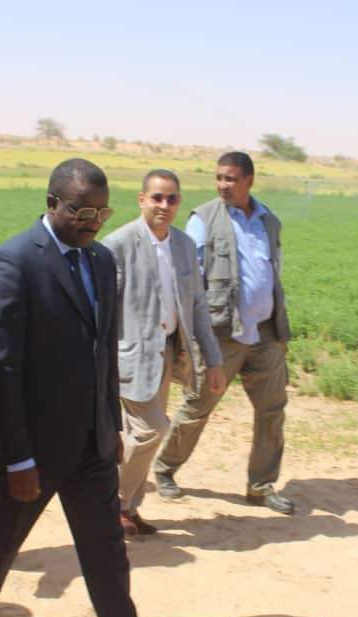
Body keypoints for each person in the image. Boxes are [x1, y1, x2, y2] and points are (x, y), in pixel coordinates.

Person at [0, 158, 189, 617]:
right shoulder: (13, 263)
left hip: (91, 442)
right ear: (52, 204)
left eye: (100, 213)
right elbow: (3, 370)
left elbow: (102, 351)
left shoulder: (100, 261)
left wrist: (110, 424)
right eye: (81, 212)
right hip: (32, 444)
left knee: (106, 549)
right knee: (3, 531)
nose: (92, 222)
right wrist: (18, 457)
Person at [153, 152, 295, 515]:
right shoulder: (203, 219)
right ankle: (165, 468)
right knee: (198, 406)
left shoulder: (269, 221)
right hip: (221, 333)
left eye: (230, 178)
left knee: (272, 410)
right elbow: (189, 279)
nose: (222, 185)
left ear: (249, 181)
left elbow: (273, 271)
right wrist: (191, 337)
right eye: (219, 178)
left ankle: (261, 486)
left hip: (264, 332)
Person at [103, 169, 225, 535]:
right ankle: (112, 502)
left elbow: (198, 305)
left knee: (140, 435)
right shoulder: (117, 245)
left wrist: (214, 360)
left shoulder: (184, 245)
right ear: (141, 199)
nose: (164, 205)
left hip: (168, 353)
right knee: (151, 430)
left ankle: (128, 508)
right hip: (130, 357)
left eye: (172, 198)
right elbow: (103, 310)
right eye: (156, 197)